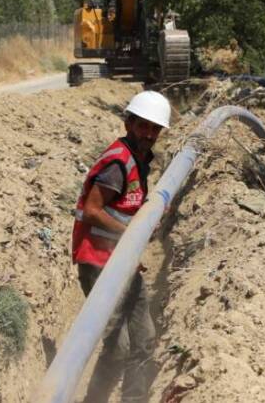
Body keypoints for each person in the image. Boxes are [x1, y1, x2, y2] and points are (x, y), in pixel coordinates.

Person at [70, 90, 171, 403]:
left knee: (145, 339)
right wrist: (133, 235)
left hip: (121, 257)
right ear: (129, 124)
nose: (149, 134)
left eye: (155, 129)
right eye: (143, 126)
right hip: (97, 261)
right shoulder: (118, 163)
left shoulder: (140, 159)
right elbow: (92, 210)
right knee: (118, 347)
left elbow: (126, 207)